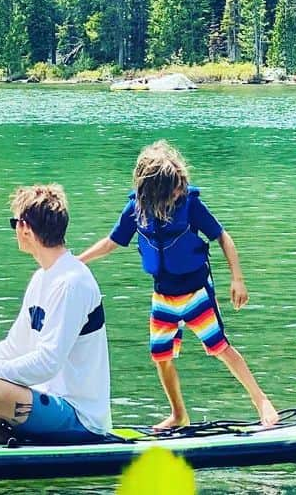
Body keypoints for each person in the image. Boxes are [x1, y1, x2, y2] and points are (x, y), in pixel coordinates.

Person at [78, 139, 279, 431]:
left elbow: (223, 236)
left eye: (181, 183)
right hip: (163, 295)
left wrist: (237, 279)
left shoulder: (191, 205)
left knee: (220, 347)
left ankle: (261, 401)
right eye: (175, 186)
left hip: (196, 291)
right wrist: (77, 261)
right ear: (156, 191)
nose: (180, 189)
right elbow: (111, 243)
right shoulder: (136, 210)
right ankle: (178, 414)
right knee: (160, 356)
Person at [0, 184, 111, 440]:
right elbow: (15, 346)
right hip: (42, 398)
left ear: (25, 228)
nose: (14, 230)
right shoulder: (42, 278)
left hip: (79, 416)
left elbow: (48, 363)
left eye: (14, 223)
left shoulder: (72, 283)